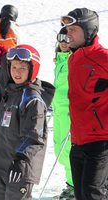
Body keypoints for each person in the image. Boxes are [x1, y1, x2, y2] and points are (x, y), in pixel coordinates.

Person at [0, 44, 54, 200]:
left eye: (22, 68)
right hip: (2, 165)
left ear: (33, 69)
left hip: (19, 168)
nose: (16, 72)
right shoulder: (11, 91)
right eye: (13, 67)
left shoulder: (32, 99)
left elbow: (34, 135)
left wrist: (21, 159)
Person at [61, 8, 108, 200]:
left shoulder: (101, 57)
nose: (67, 34)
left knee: (92, 194)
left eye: (73, 29)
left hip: (100, 141)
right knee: (81, 195)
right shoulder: (74, 59)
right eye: (66, 29)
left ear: (88, 30)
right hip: (78, 141)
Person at [52, 27, 74, 199]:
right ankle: (71, 183)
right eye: (61, 38)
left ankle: (75, 185)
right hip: (60, 110)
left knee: (68, 150)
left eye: (68, 39)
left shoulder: (75, 58)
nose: (64, 42)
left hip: (70, 111)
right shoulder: (60, 59)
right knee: (60, 148)